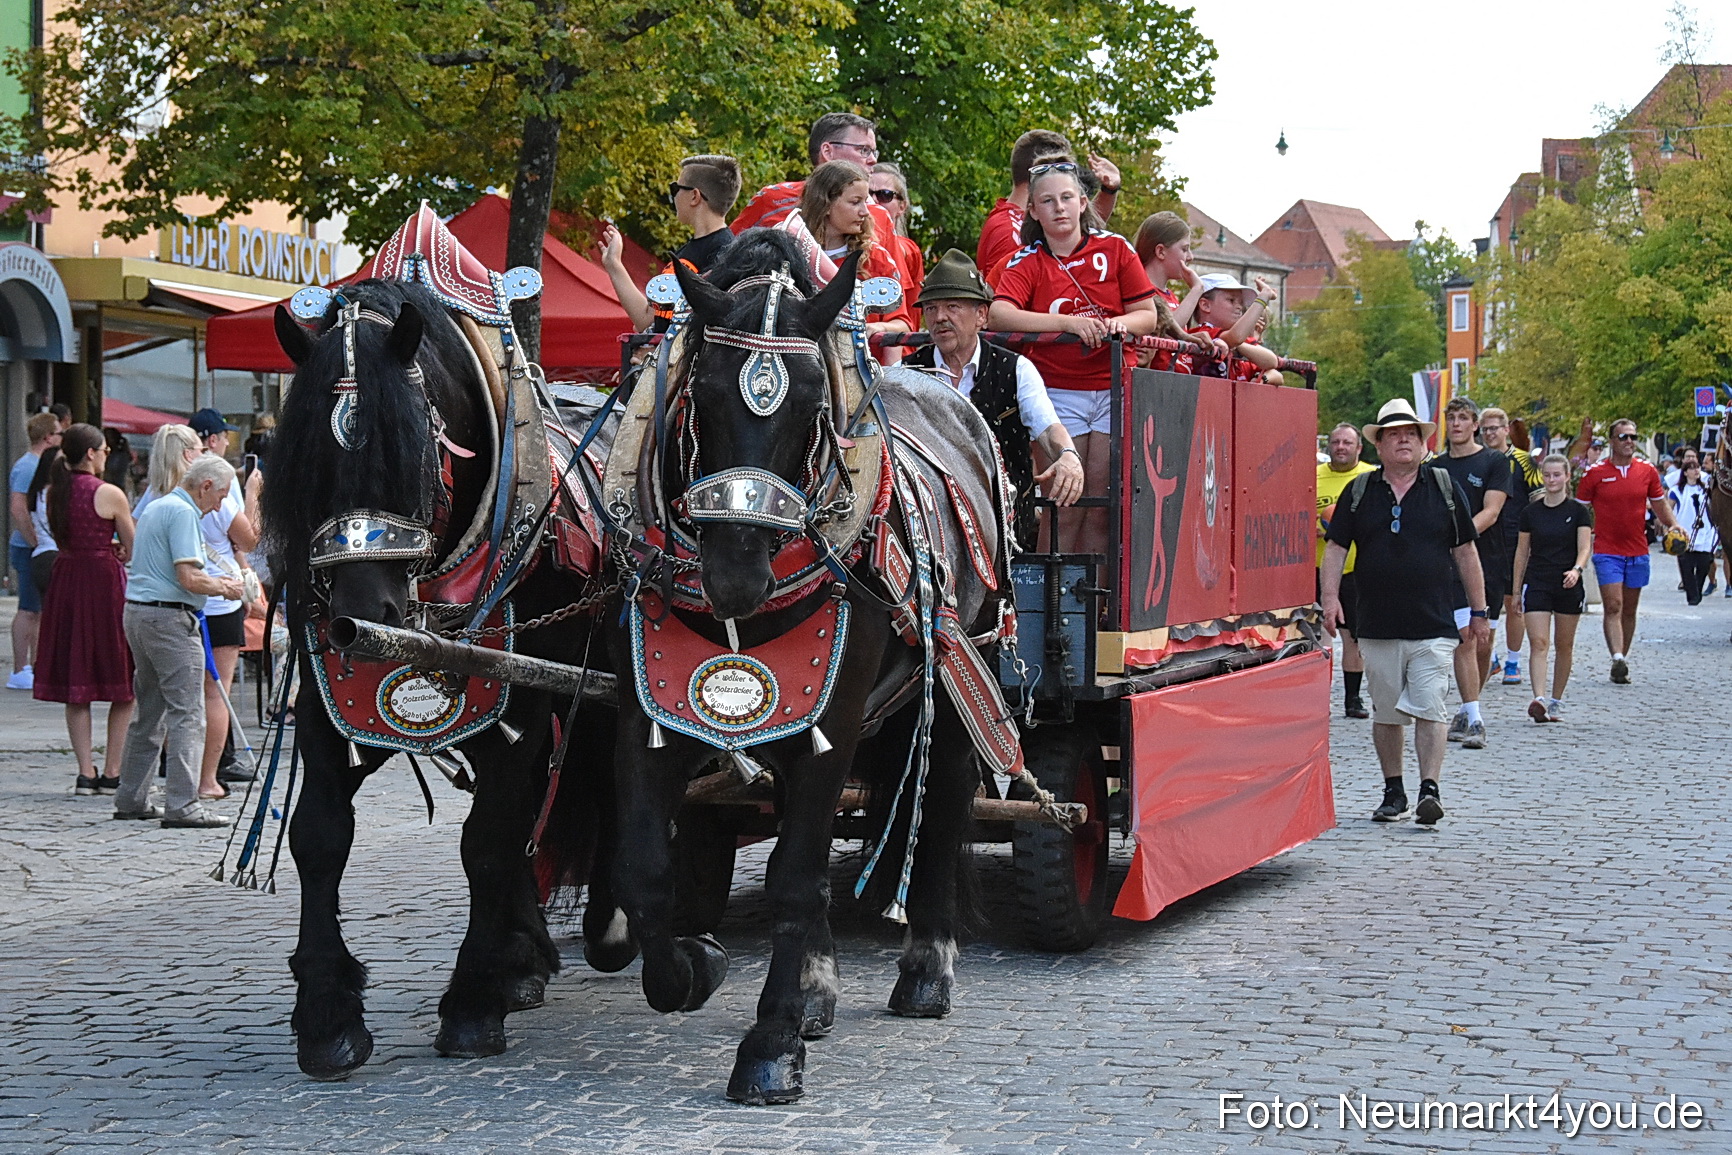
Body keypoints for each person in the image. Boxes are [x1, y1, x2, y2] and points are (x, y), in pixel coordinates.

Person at [1322, 398, 1486, 827]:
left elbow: (1466, 551)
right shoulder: (1360, 491)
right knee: (1387, 711)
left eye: (1410, 434)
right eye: (1393, 434)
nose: (1403, 441)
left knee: (1431, 706)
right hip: (1376, 621)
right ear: (1379, 445)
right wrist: (1330, 597)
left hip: (1433, 620)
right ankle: (1393, 789)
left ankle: (1429, 788)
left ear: (1422, 442)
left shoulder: (1444, 488)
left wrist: (1480, 610)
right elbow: (1336, 547)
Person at [988, 159, 1160, 554]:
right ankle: (1053, 608)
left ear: (1084, 202)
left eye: (1067, 198)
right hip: (1058, 391)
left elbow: (1147, 316)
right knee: (1063, 506)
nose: (1059, 208)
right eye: (1047, 201)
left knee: (1099, 507)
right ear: (1033, 211)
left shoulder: (1116, 248)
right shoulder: (1027, 259)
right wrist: (1065, 323)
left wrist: (1120, 324)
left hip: (1111, 389)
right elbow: (999, 313)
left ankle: (1090, 611)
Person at [903, 249, 1083, 549]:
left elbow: (1048, 427)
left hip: (1003, 523)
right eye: (931, 308)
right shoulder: (906, 373)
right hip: (928, 525)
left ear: (982, 316)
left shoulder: (1016, 369)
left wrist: (1068, 456)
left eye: (953, 306)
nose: (940, 317)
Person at [111, 453, 242, 829]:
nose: (219, 505)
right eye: (220, 496)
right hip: (169, 618)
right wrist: (226, 587)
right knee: (187, 712)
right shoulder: (184, 513)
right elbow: (189, 577)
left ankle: (131, 797)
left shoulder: (157, 505)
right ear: (205, 487)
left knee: (149, 712)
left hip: (139, 612)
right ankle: (183, 804)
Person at [32, 424, 137, 794]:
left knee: (76, 683)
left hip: (66, 581)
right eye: (104, 450)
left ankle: (84, 771)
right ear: (91, 453)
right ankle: (112, 770)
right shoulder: (109, 493)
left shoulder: (52, 492)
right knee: (122, 681)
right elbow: (133, 546)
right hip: (102, 583)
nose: (107, 455)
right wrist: (119, 548)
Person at [1575, 418, 1686, 684]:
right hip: (1606, 549)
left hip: (1637, 549)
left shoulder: (1647, 471)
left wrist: (1674, 525)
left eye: (1633, 437)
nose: (1629, 442)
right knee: (1613, 605)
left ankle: (1622, 658)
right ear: (1612, 441)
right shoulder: (1596, 473)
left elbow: (1659, 505)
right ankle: (1617, 657)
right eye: (1623, 437)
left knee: (1629, 609)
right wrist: (1579, 542)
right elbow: (1579, 511)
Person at [187, 407, 260, 801]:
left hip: (184, 601)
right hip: (217, 600)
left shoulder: (167, 486)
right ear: (210, 439)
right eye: (223, 435)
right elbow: (248, 538)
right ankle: (209, 776)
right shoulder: (219, 481)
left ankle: (186, 769)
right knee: (216, 691)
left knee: (184, 692)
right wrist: (252, 495)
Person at [1430, 397, 1508, 751]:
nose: (1457, 424)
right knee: (1463, 636)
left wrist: (1459, 538)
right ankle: (1474, 716)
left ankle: (1467, 705)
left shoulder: (1494, 461)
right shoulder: (1437, 466)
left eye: (1464, 418)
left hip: (1485, 560)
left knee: (1481, 640)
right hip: (1446, 564)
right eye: (1452, 418)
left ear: (1475, 424)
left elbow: (1491, 511)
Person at [600, 153, 740, 331]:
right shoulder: (697, 251)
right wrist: (613, 264)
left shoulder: (725, 256)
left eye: (676, 188)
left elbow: (648, 322)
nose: (673, 196)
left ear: (694, 196)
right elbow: (649, 321)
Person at [783, 160, 914, 335]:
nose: (865, 212)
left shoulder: (875, 258)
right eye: (855, 202)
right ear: (826, 203)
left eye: (865, 202)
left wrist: (878, 328)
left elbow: (902, 323)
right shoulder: (790, 256)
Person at [976, 130, 1121, 282]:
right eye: (1064, 171)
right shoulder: (1012, 233)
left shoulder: (1017, 219)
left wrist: (1109, 190)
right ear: (1041, 171)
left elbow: (1083, 225)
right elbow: (1000, 301)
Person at [1512, 454, 1593, 723]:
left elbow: (1584, 548)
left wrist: (1577, 570)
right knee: (1538, 642)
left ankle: (1556, 699)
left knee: (1564, 644)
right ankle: (1540, 698)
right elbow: (1522, 553)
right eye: (1547, 475)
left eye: (1557, 475)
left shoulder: (1578, 512)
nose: (1552, 480)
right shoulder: (1530, 513)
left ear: (1567, 477)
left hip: (1568, 582)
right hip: (1537, 581)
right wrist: (1515, 590)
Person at [1476, 407, 1540, 684]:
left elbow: (1537, 498)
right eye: (1485, 429)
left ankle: (1513, 660)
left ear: (1506, 430)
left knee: (1514, 603)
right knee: (1483, 602)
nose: (1490, 433)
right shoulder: (1477, 460)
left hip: (1516, 538)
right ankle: (1488, 658)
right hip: (1485, 540)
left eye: (1495, 428)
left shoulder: (1523, 460)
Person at [1316, 422, 1376, 718]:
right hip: (1316, 568)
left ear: (1359, 448)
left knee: (1354, 636)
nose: (1340, 447)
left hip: (1357, 570)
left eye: (1347, 443)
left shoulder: (1369, 477)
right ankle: (1315, 698)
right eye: (1336, 442)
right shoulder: (1313, 476)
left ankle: (1353, 699)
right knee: (1317, 637)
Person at [8, 412, 62, 690]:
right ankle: (20, 668)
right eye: (58, 433)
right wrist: (35, 541)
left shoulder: (37, 464)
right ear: (48, 438)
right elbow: (18, 507)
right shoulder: (28, 466)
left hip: (35, 546)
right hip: (28, 547)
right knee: (29, 608)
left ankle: (35, 665)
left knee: (39, 610)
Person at [1187, 274, 1281, 382]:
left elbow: (1272, 361)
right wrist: (1263, 296)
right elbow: (1235, 337)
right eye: (1231, 300)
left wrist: (1260, 379)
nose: (1239, 307)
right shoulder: (1202, 332)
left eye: (1241, 303)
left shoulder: (1237, 340)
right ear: (1205, 305)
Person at [870, 162, 925, 303]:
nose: (874, 200)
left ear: (902, 206)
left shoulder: (908, 249)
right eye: (868, 194)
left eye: (885, 195)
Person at [1669, 460, 1719, 605]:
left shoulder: (1706, 490)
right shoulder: (1677, 491)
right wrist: (1670, 525)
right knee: (1687, 567)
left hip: (1704, 532)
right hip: (1685, 532)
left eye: (1697, 467)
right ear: (1685, 473)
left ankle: (1697, 589)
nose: (1696, 471)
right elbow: (1669, 508)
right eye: (1691, 469)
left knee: (1704, 564)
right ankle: (1692, 596)